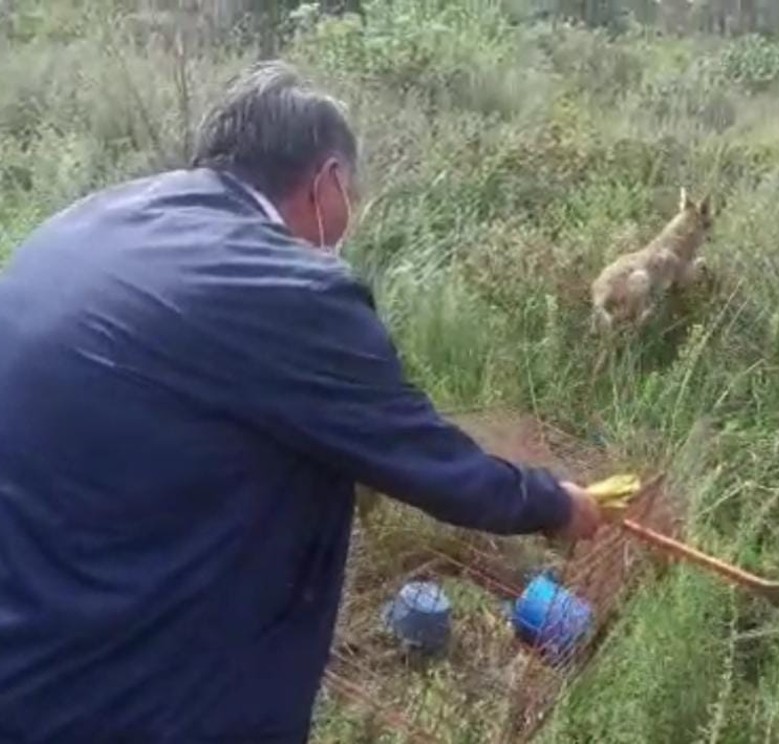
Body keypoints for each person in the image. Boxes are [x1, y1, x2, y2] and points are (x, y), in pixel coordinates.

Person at [0, 61, 603, 742]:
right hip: (139, 695)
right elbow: (429, 464)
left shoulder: (76, 227)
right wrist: (555, 503)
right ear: (329, 183)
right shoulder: (291, 290)